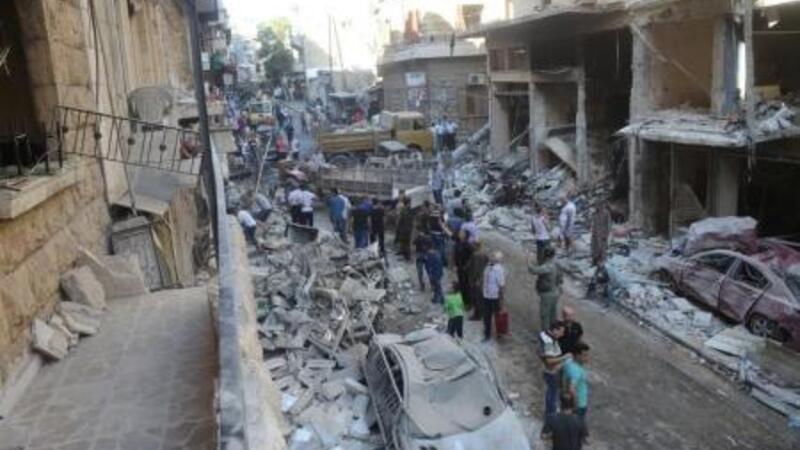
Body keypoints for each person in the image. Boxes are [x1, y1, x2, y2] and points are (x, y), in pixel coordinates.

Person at [538, 321, 571, 418]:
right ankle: (551, 414)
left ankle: (550, 412)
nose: (562, 334)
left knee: (552, 391)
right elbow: (549, 361)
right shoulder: (548, 342)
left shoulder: (547, 336)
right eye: (561, 332)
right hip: (550, 371)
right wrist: (564, 357)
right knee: (552, 393)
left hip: (549, 370)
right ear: (555, 330)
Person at [529, 246, 562, 331]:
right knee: (552, 313)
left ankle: (546, 334)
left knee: (545, 315)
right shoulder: (556, 264)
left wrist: (528, 261)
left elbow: (533, 270)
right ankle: (554, 331)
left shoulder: (547, 266)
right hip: (555, 291)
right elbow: (560, 278)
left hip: (547, 294)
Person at [563, 342, 591, 424]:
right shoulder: (576, 371)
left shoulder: (569, 362)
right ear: (577, 356)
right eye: (585, 355)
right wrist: (575, 406)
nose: (587, 357)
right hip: (579, 405)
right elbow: (572, 389)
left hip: (571, 404)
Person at [482, 251, 505, 341]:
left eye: (493, 257)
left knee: (497, 316)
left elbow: (501, 285)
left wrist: (501, 298)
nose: (491, 258)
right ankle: (487, 333)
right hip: (486, 294)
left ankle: (499, 333)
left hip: (495, 296)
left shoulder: (499, 270)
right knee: (486, 316)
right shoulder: (488, 267)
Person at [467, 241, 489, 321]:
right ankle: (481, 313)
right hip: (482, 279)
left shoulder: (475, 255)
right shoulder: (484, 255)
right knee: (481, 297)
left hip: (476, 279)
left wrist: (473, 279)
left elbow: (474, 268)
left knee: (476, 298)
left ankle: (477, 315)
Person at [453, 229, 474, 311]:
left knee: (466, 286)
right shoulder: (458, 243)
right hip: (459, 268)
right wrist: (455, 264)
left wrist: (467, 266)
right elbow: (455, 255)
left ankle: (468, 303)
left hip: (465, 269)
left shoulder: (468, 246)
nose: (459, 233)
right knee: (461, 285)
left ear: (465, 236)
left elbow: (472, 257)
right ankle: (464, 301)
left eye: (461, 233)